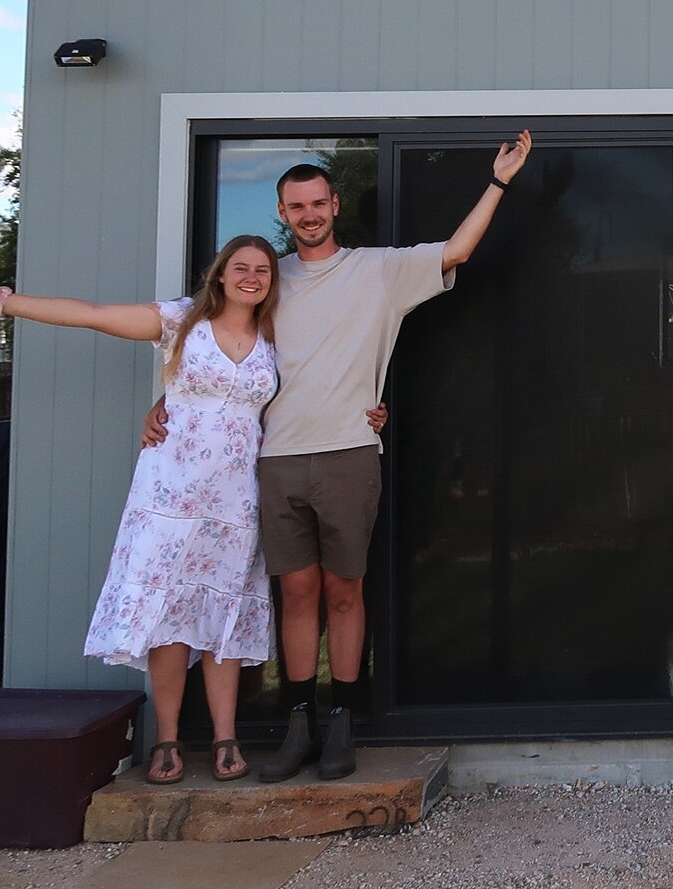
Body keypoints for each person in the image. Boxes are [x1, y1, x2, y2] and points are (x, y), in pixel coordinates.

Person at [147, 130, 532, 781]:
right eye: (295, 206)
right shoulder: (263, 282)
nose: (309, 214)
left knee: (344, 592)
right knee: (296, 592)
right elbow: (206, 348)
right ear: (281, 213)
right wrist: (164, 405)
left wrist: (499, 180)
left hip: (350, 454)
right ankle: (298, 720)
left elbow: (460, 248)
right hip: (275, 460)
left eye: (318, 202)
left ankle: (342, 722)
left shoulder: (379, 271)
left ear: (335, 203)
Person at [0, 236, 286, 783]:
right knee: (169, 617)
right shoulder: (180, 322)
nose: (252, 277)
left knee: (223, 617)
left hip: (235, 501)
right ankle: (168, 739)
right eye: (240, 267)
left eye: (262, 270)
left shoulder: (272, 336)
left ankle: (224, 737)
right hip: (169, 495)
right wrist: (4, 302)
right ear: (219, 275)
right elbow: (92, 316)